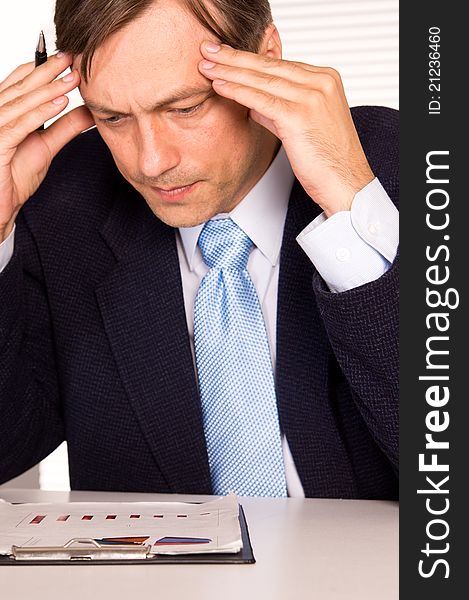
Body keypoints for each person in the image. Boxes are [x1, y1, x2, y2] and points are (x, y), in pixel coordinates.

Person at [0, 0, 399, 498]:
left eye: (185, 107)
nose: (152, 161)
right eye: (113, 117)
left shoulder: (408, 168)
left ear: (267, 57)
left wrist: (351, 215)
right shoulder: (62, 202)